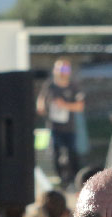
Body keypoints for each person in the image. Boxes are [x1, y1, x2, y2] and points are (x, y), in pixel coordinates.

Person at [37, 59, 86, 190]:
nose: (62, 73)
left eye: (65, 70)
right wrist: (42, 107)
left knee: (72, 154)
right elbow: (41, 101)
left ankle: (75, 180)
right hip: (54, 127)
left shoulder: (73, 86)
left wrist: (64, 105)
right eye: (60, 69)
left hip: (69, 128)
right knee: (56, 154)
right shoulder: (50, 86)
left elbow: (80, 106)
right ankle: (62, 180)